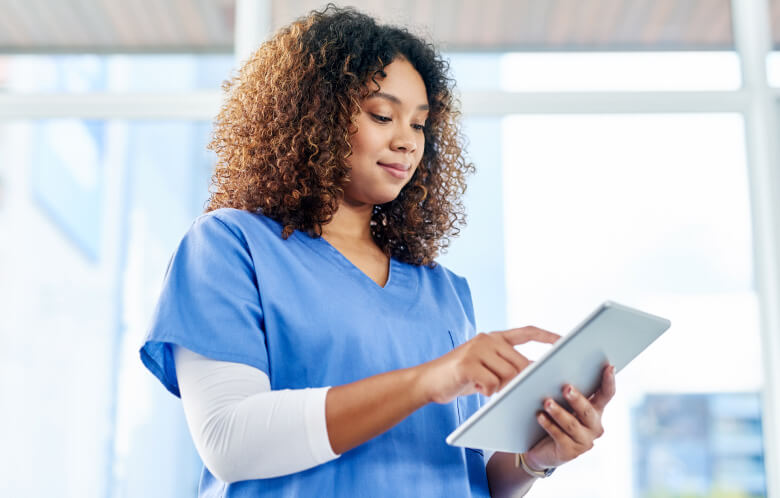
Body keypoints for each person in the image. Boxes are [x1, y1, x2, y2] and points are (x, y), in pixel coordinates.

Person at [139, 5, 616, 497]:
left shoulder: (443, 291)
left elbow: (465, 474)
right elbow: (229, 440)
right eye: (383, 115)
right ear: (314, 115)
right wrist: (427, 380)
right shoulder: (230, 246)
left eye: (419, 124)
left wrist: (534, 458)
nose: (407, 142)